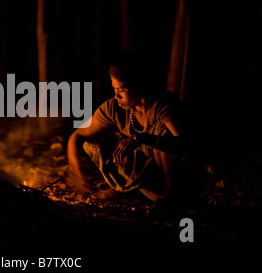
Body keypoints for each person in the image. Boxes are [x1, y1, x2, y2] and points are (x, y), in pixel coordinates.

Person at [67, 52, 205, 206]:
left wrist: (140, 138)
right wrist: (78, 175)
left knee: (162, 132)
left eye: (121, 90)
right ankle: (129, 190)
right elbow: (77, 136)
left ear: (140, 88)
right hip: (145, 180)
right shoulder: (114, 107)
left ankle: (170, 196)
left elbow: (187, 148)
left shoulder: (162, 106)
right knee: (92, 140)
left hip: (182, 181)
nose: (116, 96)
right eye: (114, 89)